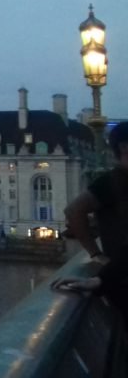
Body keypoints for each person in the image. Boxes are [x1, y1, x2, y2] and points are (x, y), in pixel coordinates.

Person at [52, 122, 128, 324]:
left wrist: (97, 260)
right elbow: (73, 211)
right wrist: (96, 255)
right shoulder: (113, 182)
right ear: (124, 147)